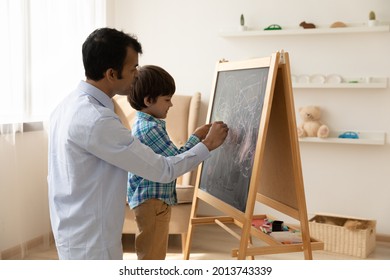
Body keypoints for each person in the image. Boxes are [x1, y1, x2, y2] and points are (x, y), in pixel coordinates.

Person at [47, 27, 228, 260]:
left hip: (71, 230)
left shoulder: (65, 106)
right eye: (133, 69)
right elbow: (164, 170)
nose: (136, 75)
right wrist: (208, 145)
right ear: (112, 74)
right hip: (92, 242)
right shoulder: (98, 120)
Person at [127, 65, 211, 260]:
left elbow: (174, 157)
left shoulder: (148, 124)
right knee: (153, 256)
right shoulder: (150, 129)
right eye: (167, 99)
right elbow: (176, 162)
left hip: (153, 201)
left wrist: (196, 137)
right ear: (148, 100)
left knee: (153, 253)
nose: (171, 105)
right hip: (152, 203)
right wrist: (204, 142)